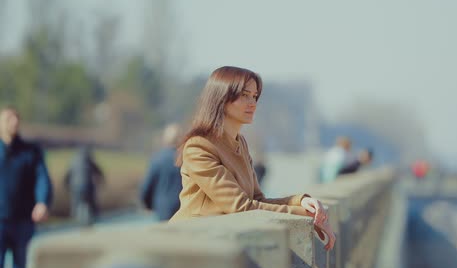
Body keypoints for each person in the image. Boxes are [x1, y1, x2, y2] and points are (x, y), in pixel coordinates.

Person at [169, 66, 335, 250]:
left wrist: (300, 201)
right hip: (189, 246)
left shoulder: (240, 143)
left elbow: (257, 199)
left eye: (255, 96)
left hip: (221, 245)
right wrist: (308, 216)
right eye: (245, 95)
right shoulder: (199, 146)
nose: (253, 103)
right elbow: (241, 206)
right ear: (222, 97)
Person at [0, 107, 52, 268]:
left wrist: (42, 202)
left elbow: (42, 179)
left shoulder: (30, 152)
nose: (13, 122)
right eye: (8, 119)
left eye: (16, 118)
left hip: (22, 220)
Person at [139, 123, 183, 221]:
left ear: (165, 139)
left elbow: (147, 186)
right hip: (183, 207)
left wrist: (147, 205)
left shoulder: (157, 159)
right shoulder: (184, 158)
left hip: (163, 209)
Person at [64, 145, 104, 226]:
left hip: (75, 186)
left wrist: (66, 184)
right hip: (88, 186)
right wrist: (101, 180)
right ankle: (95, 214)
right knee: (91, 200)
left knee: (76, 201)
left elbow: (67, 175)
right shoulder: (89, 160)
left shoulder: (73, 162)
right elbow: (99, 172)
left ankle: (74, 216)